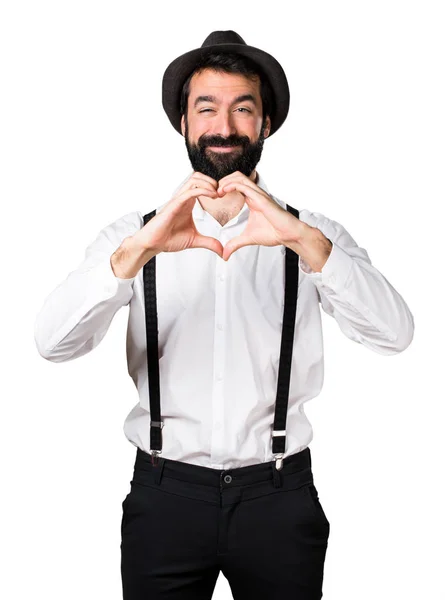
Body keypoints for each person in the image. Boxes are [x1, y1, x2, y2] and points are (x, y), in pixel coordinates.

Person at [34, 30, 415, 600]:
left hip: (279, 498)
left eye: (243, 109)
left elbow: (396, 335)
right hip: (165, 497)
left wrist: (306, 244)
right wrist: (137, 251)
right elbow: (52, 343)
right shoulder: (131, 236)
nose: (224, 127)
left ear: (265, 125)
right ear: (184, 124)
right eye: (205, 108)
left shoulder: (314, 235)